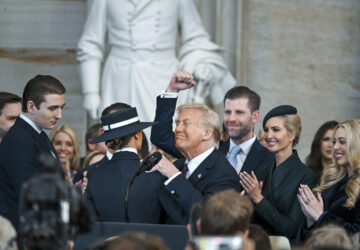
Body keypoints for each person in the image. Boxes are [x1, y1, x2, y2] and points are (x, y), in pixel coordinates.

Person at [77, 0, 235, 124]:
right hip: (119, 78)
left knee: (162, 133)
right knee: (119, 138)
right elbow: (90, 44)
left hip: (162, 76)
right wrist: (90, 92)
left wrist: (201, 63)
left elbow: (195, 37)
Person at [147, 74, 240, 221]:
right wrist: (172, 90)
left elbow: (209, 218)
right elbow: (161, 136)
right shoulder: (180, 164)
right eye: (177, 123)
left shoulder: (224, 174)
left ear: (206, 133)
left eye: (186, 123)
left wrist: (172, 174)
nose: (177, 129)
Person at [150, 71, 274, 175]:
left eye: (239, 113)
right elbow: (160, 137)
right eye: (228, 112)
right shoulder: (205, 147)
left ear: (255, 116)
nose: (231, 118)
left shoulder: (269, 159)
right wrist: (172, 90)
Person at [85, 107, 184, 223]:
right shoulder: (156, 173)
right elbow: (177, 219)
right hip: (147, 240)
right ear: (138, 135)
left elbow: (88, 223)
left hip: (106, 241)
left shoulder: (93, 175)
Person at [239, 105, 316, 242]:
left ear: (292, 134)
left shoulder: (306, 176)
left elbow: (291, 229)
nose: (269, 136)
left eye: (276, 130)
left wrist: (258, 198)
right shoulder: (261, 172)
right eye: (267, 130)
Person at [0, 75, 66, 229]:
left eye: (61, 107)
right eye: (52, 108)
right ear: (31, 106)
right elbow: (30, 196)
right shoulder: (20, 140)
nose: (59, 115)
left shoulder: (36, 134)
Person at [297, 120, 360, 242]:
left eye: (341, 142)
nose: (335, 147)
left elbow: (356, 236)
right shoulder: (333, 182)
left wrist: (321, 216)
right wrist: (310, 221)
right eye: (334, 142)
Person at [73, 102, 133, 185]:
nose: (122, 134)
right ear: (103, 132)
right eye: (115, 126)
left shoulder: (146, 169)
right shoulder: (86, 175)